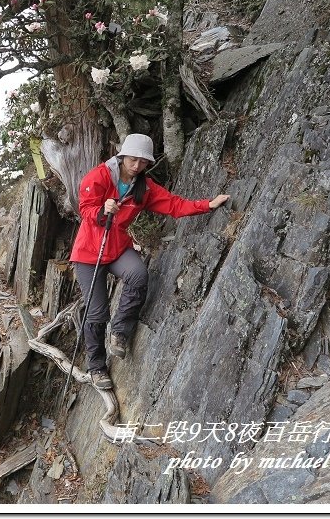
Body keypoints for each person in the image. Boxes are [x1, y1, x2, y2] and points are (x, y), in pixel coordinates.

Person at [69, 133, 230, 390]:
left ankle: (120, 332)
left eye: (143, 162)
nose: (137, 166)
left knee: (138, 275)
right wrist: (102, 210)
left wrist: (207, 205)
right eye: (133, 160)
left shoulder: (143, 187)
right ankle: (97, 367)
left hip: (118, 248)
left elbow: (174, 205)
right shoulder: (98, 177)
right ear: (122, 156)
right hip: (90, 253)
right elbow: (85, 209)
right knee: (97, 312)